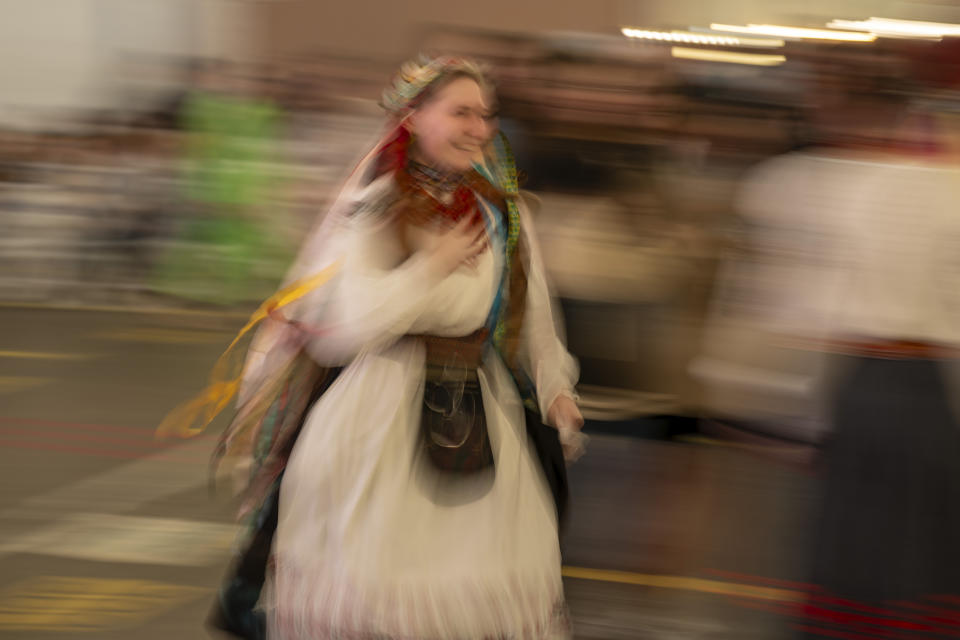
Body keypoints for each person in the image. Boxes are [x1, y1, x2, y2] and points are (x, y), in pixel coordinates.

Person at [206, 55, 586, 640]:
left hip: (478, 409)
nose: (479, 128)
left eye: (485, 114)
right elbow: (351, 329)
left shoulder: (500, 211)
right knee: (376, 593)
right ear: (413, 118)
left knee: (484, 584)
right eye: (460, 112)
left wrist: (557, 387)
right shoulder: (377, 207)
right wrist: (428, 269)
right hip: (377, 418)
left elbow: (536, 315)